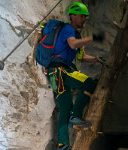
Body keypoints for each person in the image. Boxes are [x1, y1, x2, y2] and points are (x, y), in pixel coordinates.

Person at [47, 2, 106, 150]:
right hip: (60, 71)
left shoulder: (76, 34)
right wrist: (93, 37)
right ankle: (76, 116)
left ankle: (63, 145)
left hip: (54, 75)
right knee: (90, 83)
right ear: (72, 16)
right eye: (81, 16)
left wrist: (97, 59)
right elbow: (73, 45)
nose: (84, 19)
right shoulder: (68, 29)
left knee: (65, 107)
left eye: (85, 17)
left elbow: (81, 56)